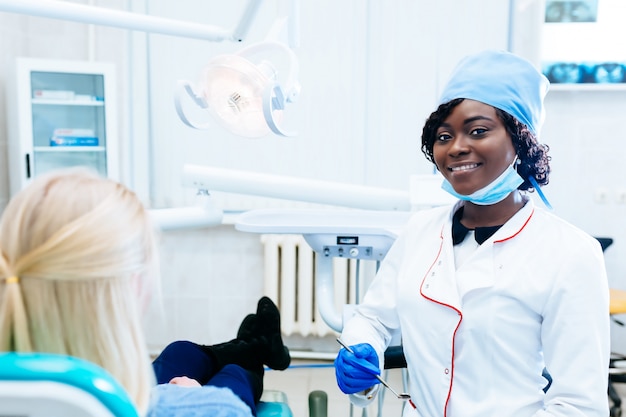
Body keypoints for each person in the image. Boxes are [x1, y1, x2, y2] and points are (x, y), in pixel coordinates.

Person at [334, 50, 610, 416]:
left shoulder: (571, 253)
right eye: (444, 136)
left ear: (521, 139)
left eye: (478, 131)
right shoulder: (419, 231)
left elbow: (578, 406)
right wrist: (361, 347)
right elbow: (372, 318)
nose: (457, 147)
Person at [0, 167, 291, 417]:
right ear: (130, 290)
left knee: (181, 351)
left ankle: (252, 344)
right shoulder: (215, 408)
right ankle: (255, 348)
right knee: (235, 374)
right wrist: (194, 398)